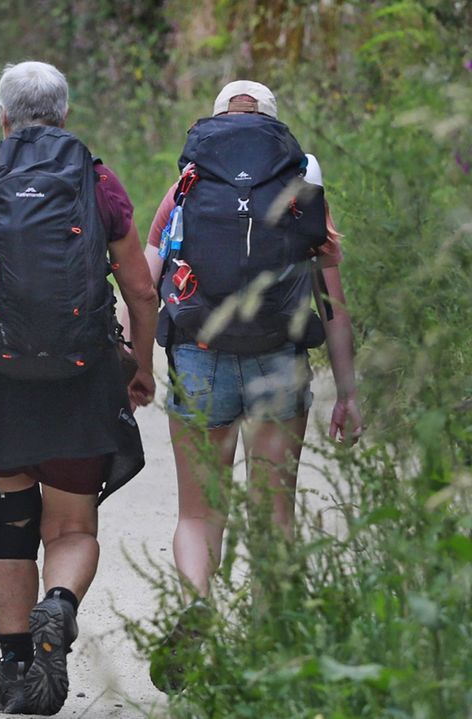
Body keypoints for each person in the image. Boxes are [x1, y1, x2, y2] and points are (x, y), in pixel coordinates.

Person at [0, 61, 159, 715]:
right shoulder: (96, 178)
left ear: (2, 116)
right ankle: (59, 604)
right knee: (74, 525)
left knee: (10, 518)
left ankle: (15, 670)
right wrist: (141, 363)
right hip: (80, 373)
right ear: (65, 115)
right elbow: (139, 286)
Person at [141, 81, 363, 690]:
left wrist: (133, 354)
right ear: (273, 128)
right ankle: (272, 644)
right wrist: (347, 390)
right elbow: (332, 301)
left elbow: (146, 276)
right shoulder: (300, 188)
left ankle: (195, 607)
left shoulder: (187, 183)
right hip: (278, 357)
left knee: (197, 512)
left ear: (213, 125)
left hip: (200, 355)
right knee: (274, 512)